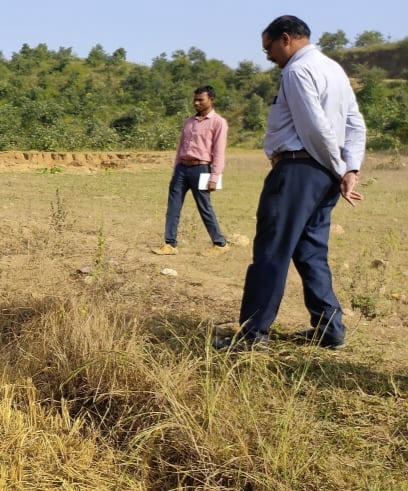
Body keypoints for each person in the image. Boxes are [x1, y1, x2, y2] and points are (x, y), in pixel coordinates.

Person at [214, 15, 366, 351]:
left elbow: (315, 128)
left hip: (300, 169)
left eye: (268, 48)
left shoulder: (297, 71)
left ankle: (253, 335)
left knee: (271, 250)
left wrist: (342, 168)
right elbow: (355, 124)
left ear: (285, 38)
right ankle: (330, 329)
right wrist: (349, 167)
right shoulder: (334, 69)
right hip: (325, 175)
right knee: (310, 251)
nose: (267, 55)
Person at [153, 85, 229, 257]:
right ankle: (170, 244)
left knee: (204, 207)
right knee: (173, 206)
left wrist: (215, 177)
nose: (196, 103)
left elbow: (219, 152)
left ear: (211, 100)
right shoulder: (189, 122)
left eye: (200, 100)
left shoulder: (218, 122)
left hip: (201, 169)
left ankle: (220, 243)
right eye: (195, 100)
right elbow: (181, 147)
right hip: (182, 169)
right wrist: (176, 169)